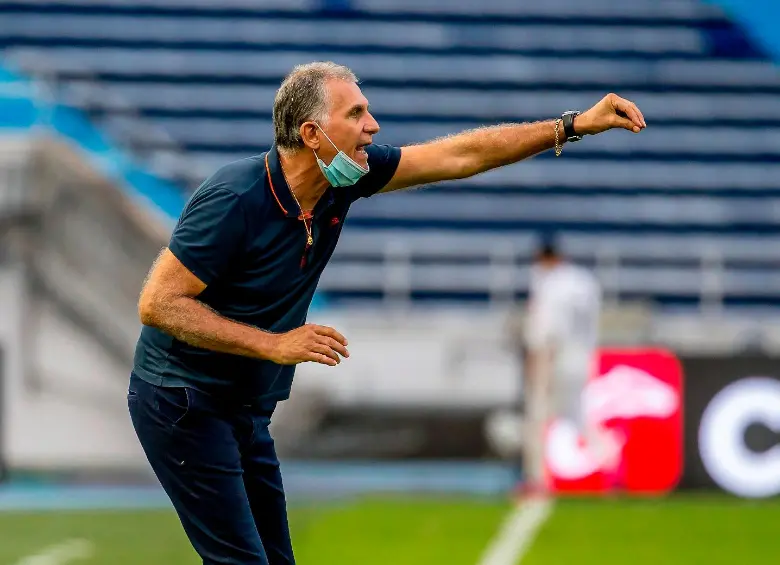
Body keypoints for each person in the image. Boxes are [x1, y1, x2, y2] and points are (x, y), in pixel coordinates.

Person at [128, 61, 646, 565]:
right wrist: (273, 344)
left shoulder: (345, 178)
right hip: (182, 401)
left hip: (243, 407)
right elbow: (158, 303)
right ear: (312, 132)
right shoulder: (234, 198)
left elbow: (460, 155)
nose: (372, 126)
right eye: (355, 114)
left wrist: (571, 125)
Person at [521, 237, 623, 495]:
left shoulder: (550, 282)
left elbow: (547, 331)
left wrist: (537, 362)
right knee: (579, 416)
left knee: (537, 417)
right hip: (583, 356)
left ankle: (537, 480)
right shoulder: (583, 281)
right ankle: (613, 464)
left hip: (555, 357)